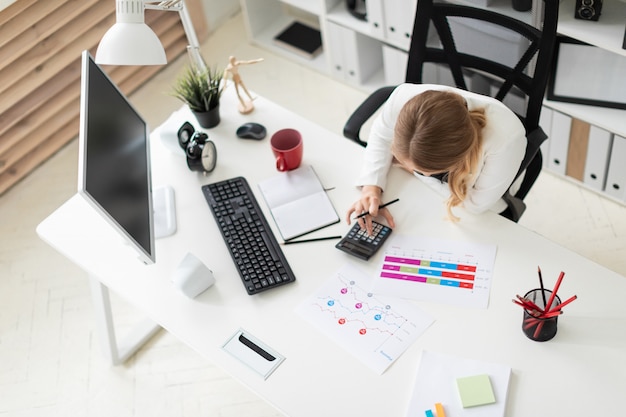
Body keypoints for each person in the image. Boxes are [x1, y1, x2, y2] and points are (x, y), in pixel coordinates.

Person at [345, 83, 526, 234]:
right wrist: (371, 187)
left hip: (485, 198)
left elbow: (475, 204)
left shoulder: (507, 140)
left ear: (454, 163)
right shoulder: (404, 99)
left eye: (424, 170)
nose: (416, 170)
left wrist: (415, 172)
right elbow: (381, 136)